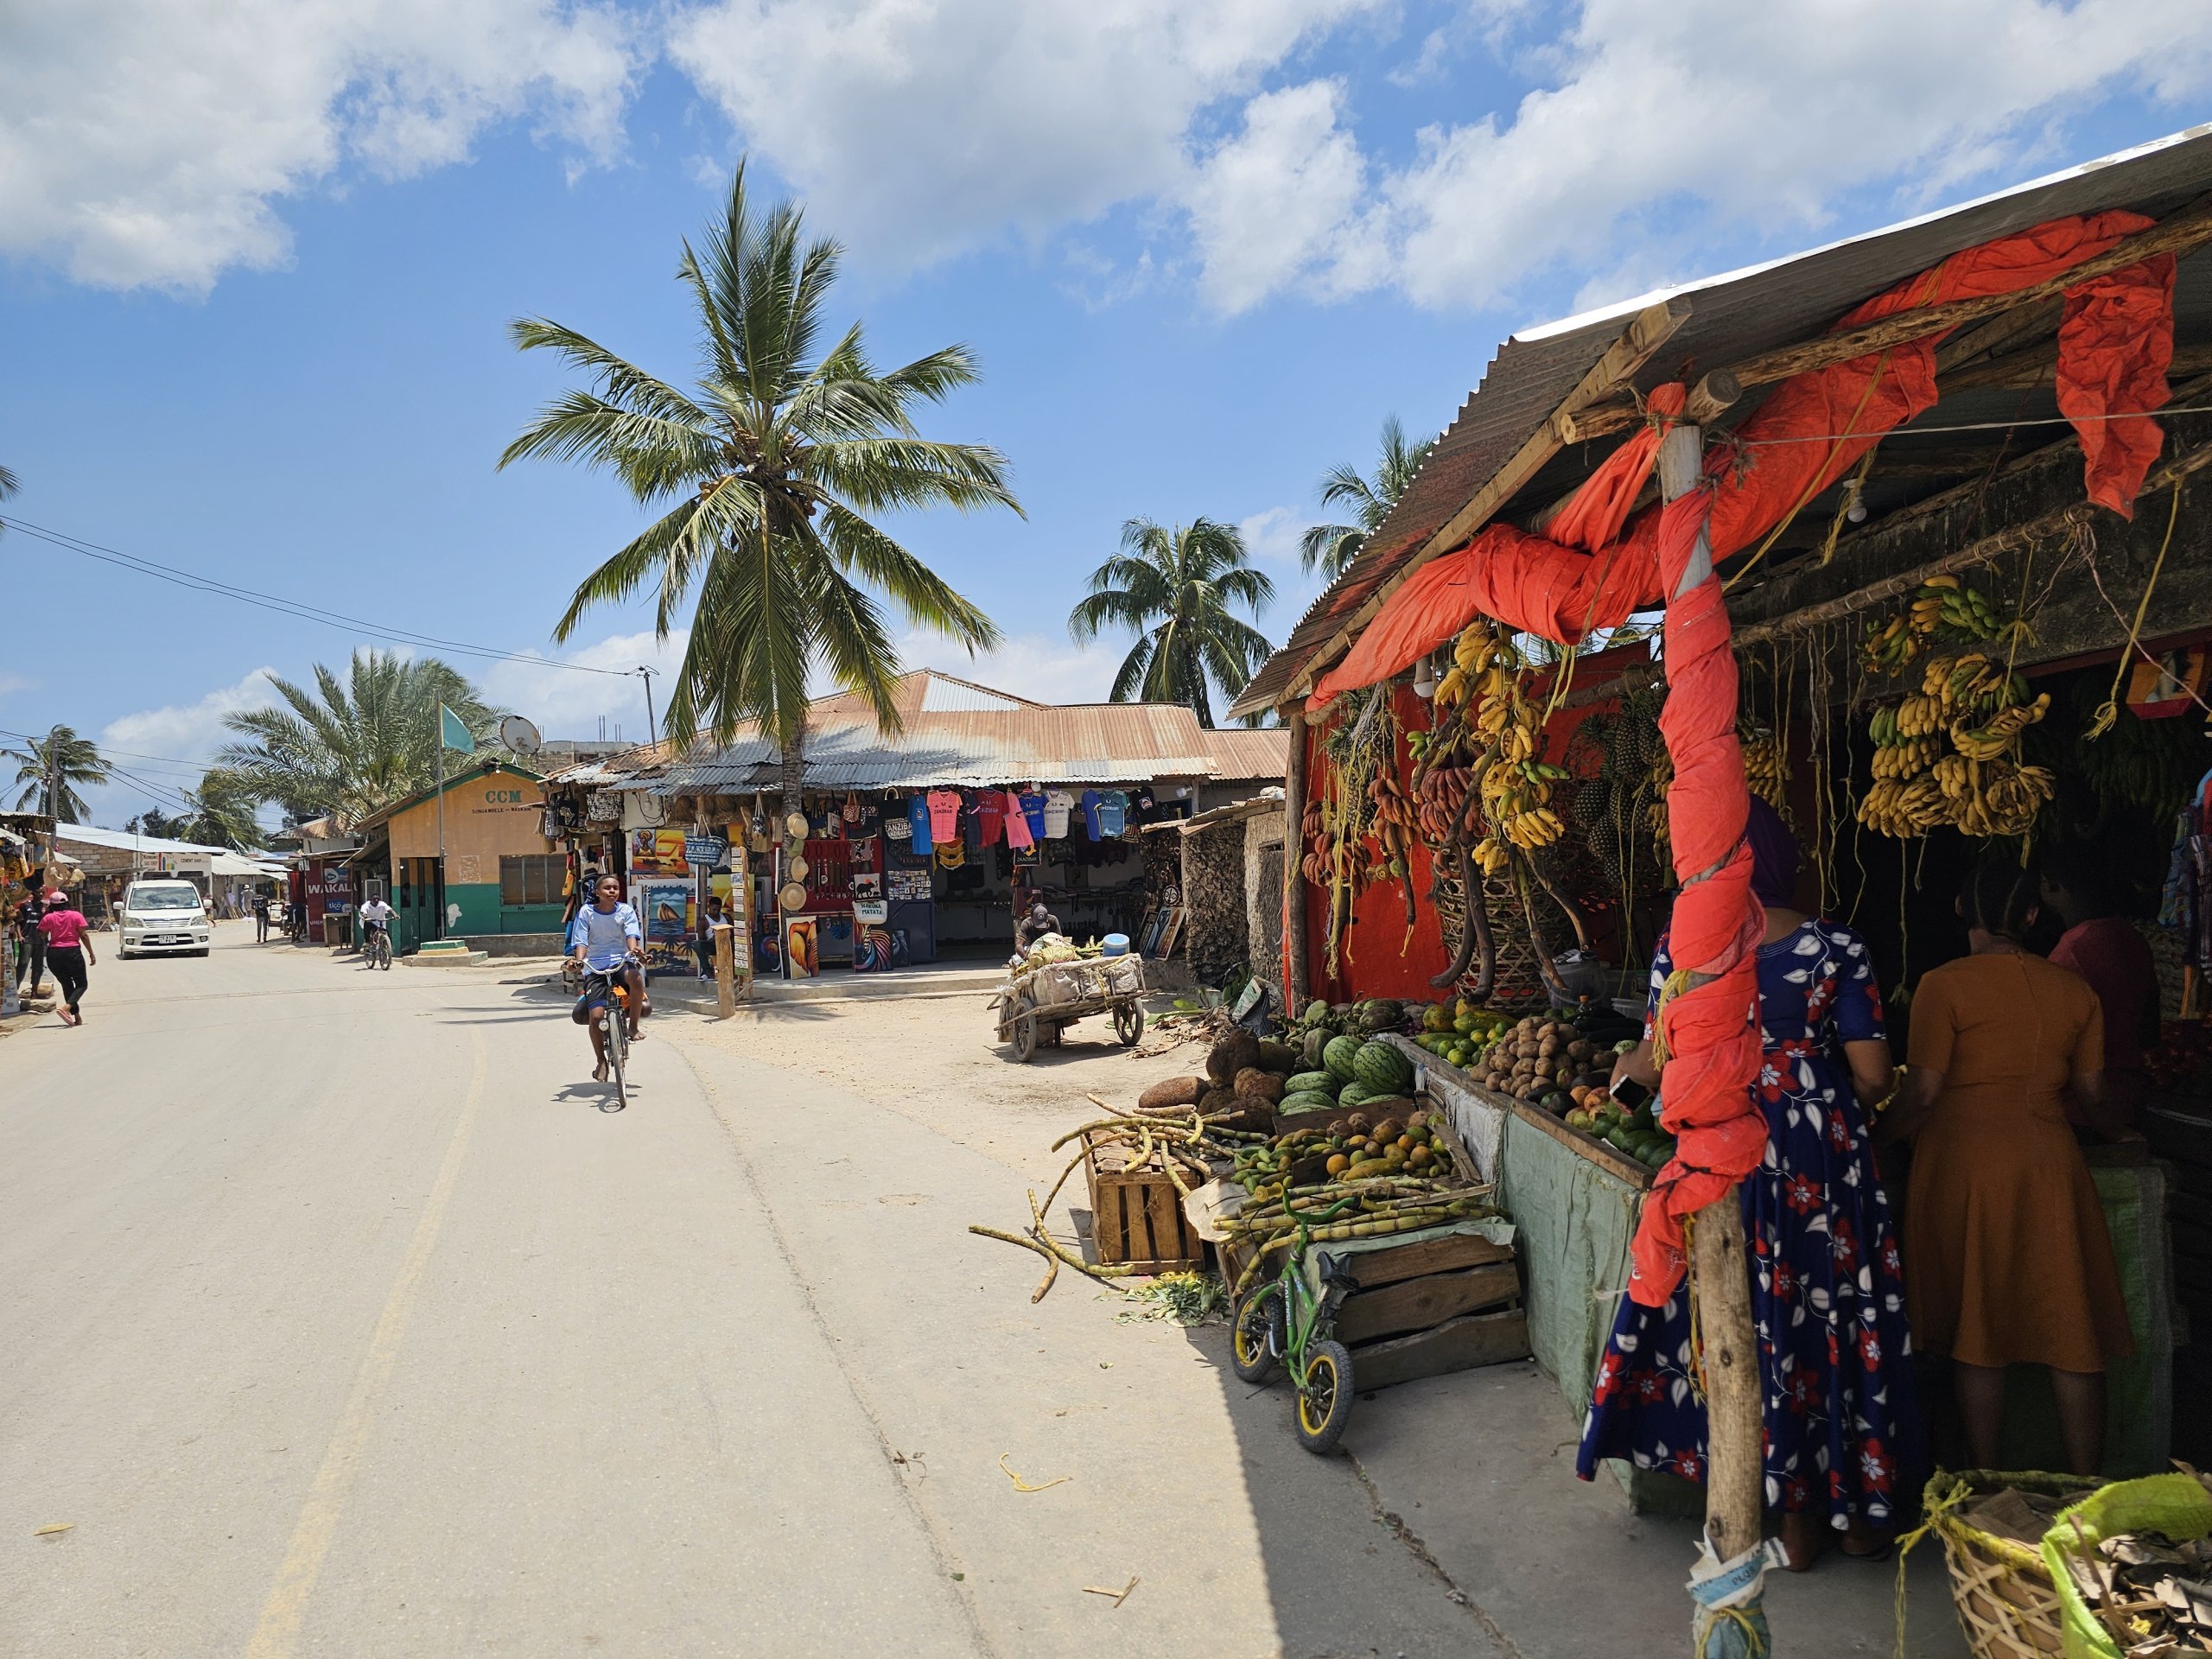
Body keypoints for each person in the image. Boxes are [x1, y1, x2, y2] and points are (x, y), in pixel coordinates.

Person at [1577, 798, 1918, 1569]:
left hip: (1723, 1146)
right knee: (1831, 1310)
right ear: (1782, 859)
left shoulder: (1685, 949)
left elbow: (1651, 1063)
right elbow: (1872, 1075)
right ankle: (1855, 1512)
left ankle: (1782, 1518)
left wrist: (1624, 1079)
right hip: (1820, 1154)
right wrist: (1829, 1094)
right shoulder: (1836, 946)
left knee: (1749, 1315)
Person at [1879, 861, 2133, 1477]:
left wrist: (1873, 1139)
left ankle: (1986, 1481)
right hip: (2050, 1165)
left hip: (1962, 1166)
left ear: (1960, 911)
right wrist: (2122, 1134)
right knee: (2071, 1326)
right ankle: (2088, 1484)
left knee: (1978, 1327)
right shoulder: (2072, 990)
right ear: (2031, 915)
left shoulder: (1943, 985)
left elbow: (1923, 1093)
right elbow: (2093, 1094)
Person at [2040, 842, 2159, 1132]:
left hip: (2080, 1111)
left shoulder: (2071, 953)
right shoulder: (2132, 939)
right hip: (2127, 1100)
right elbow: (2150, 1030)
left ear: (2051, 887)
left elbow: (2052, 1048)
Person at [567, 874, 645, 1082]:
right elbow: (581, 941)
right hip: (595, 966)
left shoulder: (626, 911)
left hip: (620, 961)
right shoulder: (586, 912)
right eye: (607, 888)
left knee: (636, 978)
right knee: (596, 1018)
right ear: (597, 892)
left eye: (615, 888)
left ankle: (633, 1027)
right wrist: (579, 961)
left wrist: (634, 951)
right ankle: (601, 1061)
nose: (612, 891)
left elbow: (631, 935)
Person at [36, 889, 95, 1027]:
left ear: (52, 905)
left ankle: (77, 1017)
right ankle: (66, 1008)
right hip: (72, 952)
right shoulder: (76, 915)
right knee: (82, 984)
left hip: (54, 954)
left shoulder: (48, 918)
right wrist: (91, 953)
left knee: (67, 985)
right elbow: (84, 935)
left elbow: (42, 936)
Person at [14, 880, 48, 996]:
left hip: (40, 940)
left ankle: (34, 991)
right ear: (33, 892)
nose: (41, 894)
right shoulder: (25, 906)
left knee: (38, 967)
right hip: (27, 939)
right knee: (23, 964)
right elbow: (18, 922)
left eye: (43, 892)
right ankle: (15, 990)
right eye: (39, 892)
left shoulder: (44, 907)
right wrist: (20, 936)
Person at [1014, 891, 1060, 956]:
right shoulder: (1027, 923)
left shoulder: (1053, 920)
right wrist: (1026, 958)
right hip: (1031, 950)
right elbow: (1018, 946)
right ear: (1032, 918)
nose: (1041, 929)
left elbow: (1060, 941)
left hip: (1050, 950)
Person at [694, 893, 727, 979]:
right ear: (709, 906)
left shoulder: (726, 917)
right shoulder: (703, 922)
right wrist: (713, 939)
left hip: (727, 944)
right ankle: (707, 970)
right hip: (713, 945)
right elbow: (702, 940)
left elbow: (733, 932)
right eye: (714, 909)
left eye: (718, 910)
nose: (716, 912)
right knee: (697, 944)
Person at [357, 893, 395, 958]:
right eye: (374, 899)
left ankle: (388, 950)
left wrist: (395, 915)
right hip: (369, 922)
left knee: (386, 934)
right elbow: (363, 912)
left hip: (380, 923)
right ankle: (367, 942)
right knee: (367, 924)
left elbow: (389, 910)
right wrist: (366, 917)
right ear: (371, 900)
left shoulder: (382, 904)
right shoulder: (366, 905)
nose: (376, 900)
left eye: (378, 899)